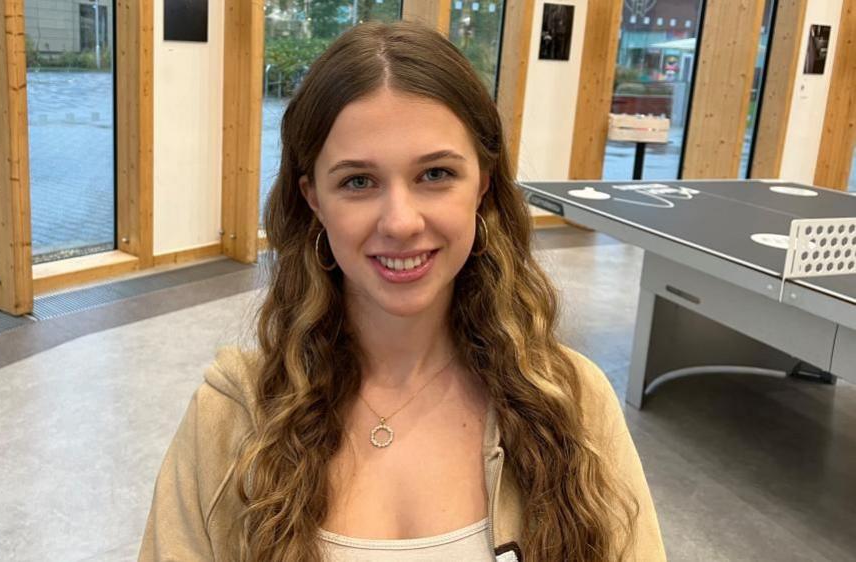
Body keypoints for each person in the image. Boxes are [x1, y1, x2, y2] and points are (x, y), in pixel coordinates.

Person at [138, 20, 665, 562]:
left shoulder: (572, 404)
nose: (401, 222)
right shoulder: (231, 418)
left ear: (482, 185)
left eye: (435, 174)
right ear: (314, 198)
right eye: (358, 182)